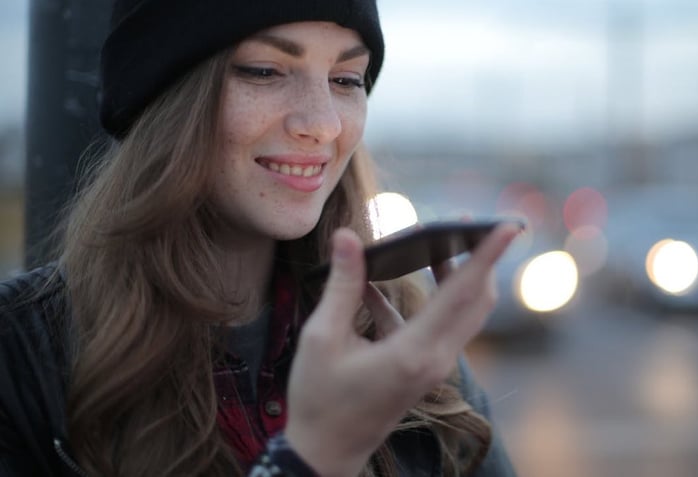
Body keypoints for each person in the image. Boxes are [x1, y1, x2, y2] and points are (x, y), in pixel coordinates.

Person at [0, 0, 522, 476]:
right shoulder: (19, 353)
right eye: (265, 71)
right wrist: (318, 454)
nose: (321, 124)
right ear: (165, 97)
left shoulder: (400, 339)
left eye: (346, 79)